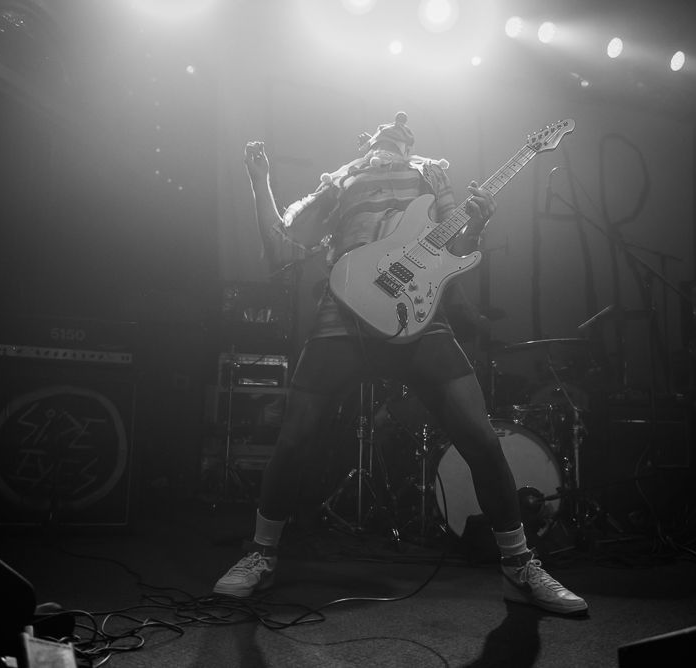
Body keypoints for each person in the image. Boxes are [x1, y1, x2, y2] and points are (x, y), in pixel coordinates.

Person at [213, 113, 588, 615]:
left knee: (481, 439)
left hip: (418, 312)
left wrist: (475, 226)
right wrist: (258, 181)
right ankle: (261, 556)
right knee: (294, 439)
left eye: (405, 125)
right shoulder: (341, 180)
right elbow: (277, 247)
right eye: (387, 122)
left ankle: (520, 567)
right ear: (366, 141)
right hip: (343, 313)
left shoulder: (432, 175)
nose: (399, 121)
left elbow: (457, 251)